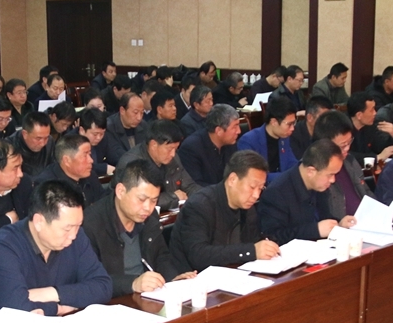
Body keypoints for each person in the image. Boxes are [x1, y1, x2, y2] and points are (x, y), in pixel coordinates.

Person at [0, 180, 112, 314]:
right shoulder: (4, 248)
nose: (73, 235)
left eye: (78, 225)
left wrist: (50, 293)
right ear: (39, 222)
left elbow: (103, 287)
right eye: (67, 228)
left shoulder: (77, 237)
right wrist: (58, 308)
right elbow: (17, 309)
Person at [83, 160, 194, 296]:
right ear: (121, 191)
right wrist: (133, 283)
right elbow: (90, 280)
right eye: (141, 199)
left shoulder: (150, 216)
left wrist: (174, 280)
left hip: (148, 296)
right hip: (113, 300)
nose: (148, 208)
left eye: (154, 200)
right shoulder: (90, 224)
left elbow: (161, 256)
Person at [170, 149, 279, 272]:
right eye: (252, 187)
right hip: (193, 278)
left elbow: (253, 241)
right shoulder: (200, 205)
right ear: (232, 179)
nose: (256, 195)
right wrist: (250, 251)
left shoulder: (248, 208)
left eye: (260, 188)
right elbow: (198, 255)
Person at [257, 139, 355, 244]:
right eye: (330, 175)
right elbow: (273, 236)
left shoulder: (319, 185)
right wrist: (315, 230)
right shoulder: (277, 193)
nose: (333, 180)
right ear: (311, 171)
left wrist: (338, 225)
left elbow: (324, 218)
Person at [116, 120, 199, 211]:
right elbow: (137, 200)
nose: (173, 154)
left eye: (175, 149)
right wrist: (173, 197)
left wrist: (206, 197)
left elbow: (189, 186)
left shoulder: (173, 158)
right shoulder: (132, 163)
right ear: (153, 145)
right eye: (170, 149)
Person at [312, 111, 374, 219]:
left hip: (366, 219)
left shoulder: (350, 160)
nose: (347, 148)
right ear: (325, 145)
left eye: (349, 142)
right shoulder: (316, 173)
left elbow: (366, 191)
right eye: (343, 146)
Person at [237, 95, 299, 183]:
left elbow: (291, 163)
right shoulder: (249, 141)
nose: (292, 128)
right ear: (274, 122)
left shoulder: (284, 138)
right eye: (289, 124)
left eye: (294, 123)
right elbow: (253, 175)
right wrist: (287, 176)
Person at [177, 104, 241, 187]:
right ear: (219, 131)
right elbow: (195, 185)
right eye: (234, 127)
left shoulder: (230, 143)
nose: (239, 131)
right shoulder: (191, 148)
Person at [34, 133, 105, 206]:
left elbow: (103, 203)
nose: (91, 160)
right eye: (85, 155)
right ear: (67, 160)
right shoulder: (46, 186)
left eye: (89, 154)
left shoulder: (91, 176)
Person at [345, 92, 393, 165]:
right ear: (359, 115)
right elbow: (345, 155)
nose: (375, 113)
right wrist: (376, 157)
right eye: (371, 110)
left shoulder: (370, 126)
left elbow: (379, 147)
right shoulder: (342, 128)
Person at [7, 111, 55, 176]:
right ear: (25, 134)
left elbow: (52, 168)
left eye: (46, 137)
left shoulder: (50, 142)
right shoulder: (9, 147)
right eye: (38, 138)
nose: (43, 143)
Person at [105, 93, 149, 160]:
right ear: (122, 110)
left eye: (142, 113)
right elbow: (116, 155)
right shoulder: (109, 127)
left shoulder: (143, 125)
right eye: (135, 112)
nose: (139, 118)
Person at [289, 95, 332, 160]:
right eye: (323, 117)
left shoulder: (329, 132)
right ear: (310, 118)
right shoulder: (293, 135)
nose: (327, 121)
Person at [79, 107, 117, 176]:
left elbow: (115, 153)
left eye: (102, 133)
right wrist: (104, 168)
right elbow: (79, 165)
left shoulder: (104, 137)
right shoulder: (70, 142)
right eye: (95, 134)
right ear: (82, 131)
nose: (99, 138)